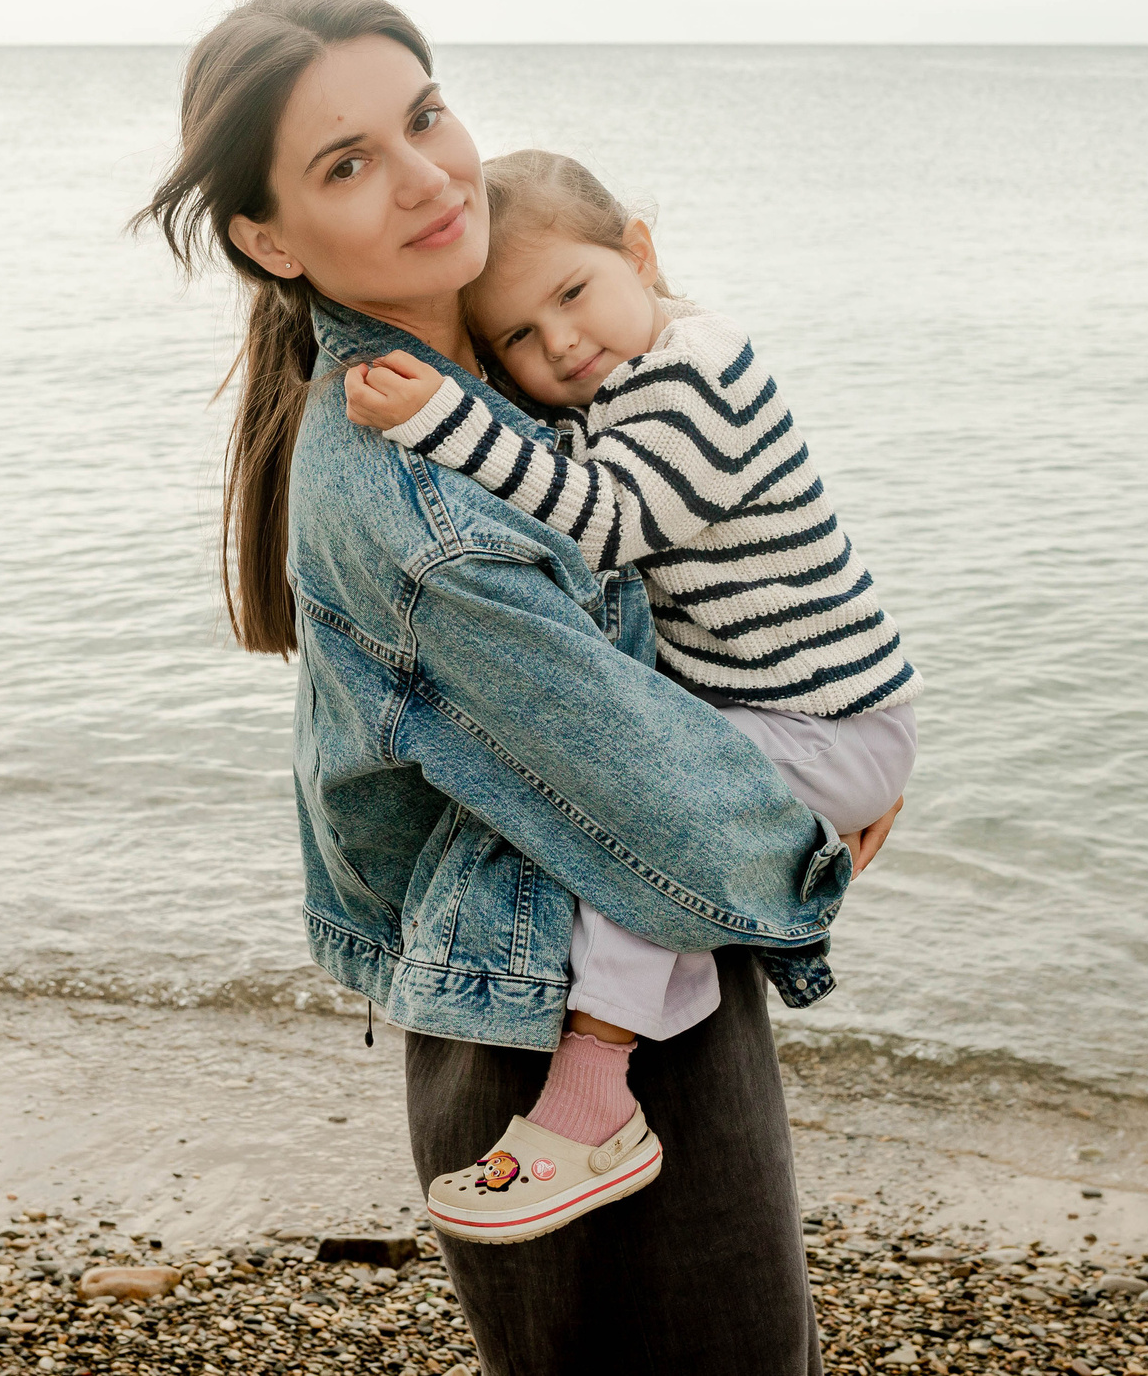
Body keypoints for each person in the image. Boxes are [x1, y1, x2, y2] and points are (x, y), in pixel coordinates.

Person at [135, 0, 900, 1375]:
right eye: (347, 163)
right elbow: (644, 781)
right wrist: (821, 830)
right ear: (267, 237)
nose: (429, 176)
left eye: (425, 116)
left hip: (615, 951)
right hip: (559, 1012)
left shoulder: (494, 366)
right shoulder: (422, 501)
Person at [342, 148, 920, 1244]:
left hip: (828, 719)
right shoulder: (617, 391)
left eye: (572, 292)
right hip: (784, 711)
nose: (560, 341)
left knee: (640, 823)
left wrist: (436, 421)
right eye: (518, 334)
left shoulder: (696, 374)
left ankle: (594, 1099)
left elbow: (608, 521)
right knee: (642, 817)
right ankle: (748, 909)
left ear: (638, 252)